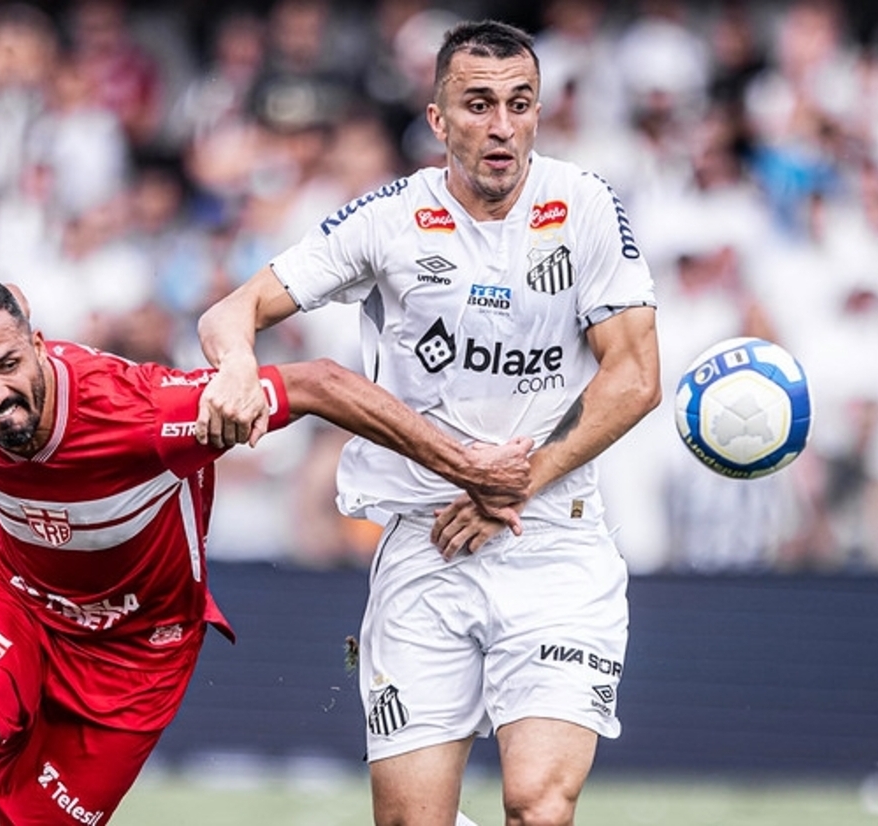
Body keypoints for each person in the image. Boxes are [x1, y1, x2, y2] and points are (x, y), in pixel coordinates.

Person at [0, 275, 534, 826]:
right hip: (18, 605)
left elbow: (322, 382)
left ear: (37, 344)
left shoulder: (144, 416)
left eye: (8, 366)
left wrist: (469, 469)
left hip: (135, 653)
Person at [196, 19, 661, 826]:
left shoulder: (583, 204)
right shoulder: (389, 218)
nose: (502, 125)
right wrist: (237, 365)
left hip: (553, 537)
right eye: (478, 105)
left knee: (539, 805)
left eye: (520, 103)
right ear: (439, 120)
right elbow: (232, 311)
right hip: (425, 543)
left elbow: (637, 376)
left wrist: (509, 485)